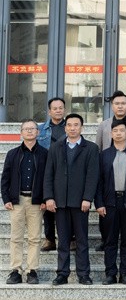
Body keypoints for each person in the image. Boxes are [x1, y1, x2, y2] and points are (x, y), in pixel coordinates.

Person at [44, 113, 100, 286]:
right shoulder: (56, 147)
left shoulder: (91, 148)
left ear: (81, 127)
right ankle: (62, 274)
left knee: (82, 240)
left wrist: (87, 198)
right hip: (60, 202)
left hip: (80, 202)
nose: (72, 128)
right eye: (69, 125)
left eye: (76, 125)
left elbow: (92, 175)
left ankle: (84, 274)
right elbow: (48, 174)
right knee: (63, 241)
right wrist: (49, 197)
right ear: (65, 127)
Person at [96, 119, 126, 285]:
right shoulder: (104, 155)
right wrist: (99, 203)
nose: (119, 133)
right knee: (110, 241)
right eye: (115, 131)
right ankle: (110, 274)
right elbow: (98, 181)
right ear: (111, 134)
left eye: (122, 130)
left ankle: (125, 274)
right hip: (109, 203)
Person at [2, 120, 47, 285]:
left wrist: (45, 198)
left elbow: (48, 178)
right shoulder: (12, 154)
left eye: (32, 129)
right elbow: (5, 178)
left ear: (38, 132)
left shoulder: (45, 154)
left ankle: (32, 271)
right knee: (16, 237)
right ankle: (15, 271)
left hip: (36, 202)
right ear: (21, 132)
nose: (29, 131)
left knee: (35, 238)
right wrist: (6, 198)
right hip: (17, 201)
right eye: (26, 129)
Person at [38, 97, 65, 252]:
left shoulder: (70, 126)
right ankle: (50, 239)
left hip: (65, 171)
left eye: (60, 108)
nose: (58, 111)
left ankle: (70, 238)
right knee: (47, 205)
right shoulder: (41, 129)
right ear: (49, 111)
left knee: (66, 206)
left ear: (64, 110)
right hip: (46, 171)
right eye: (55, 108)